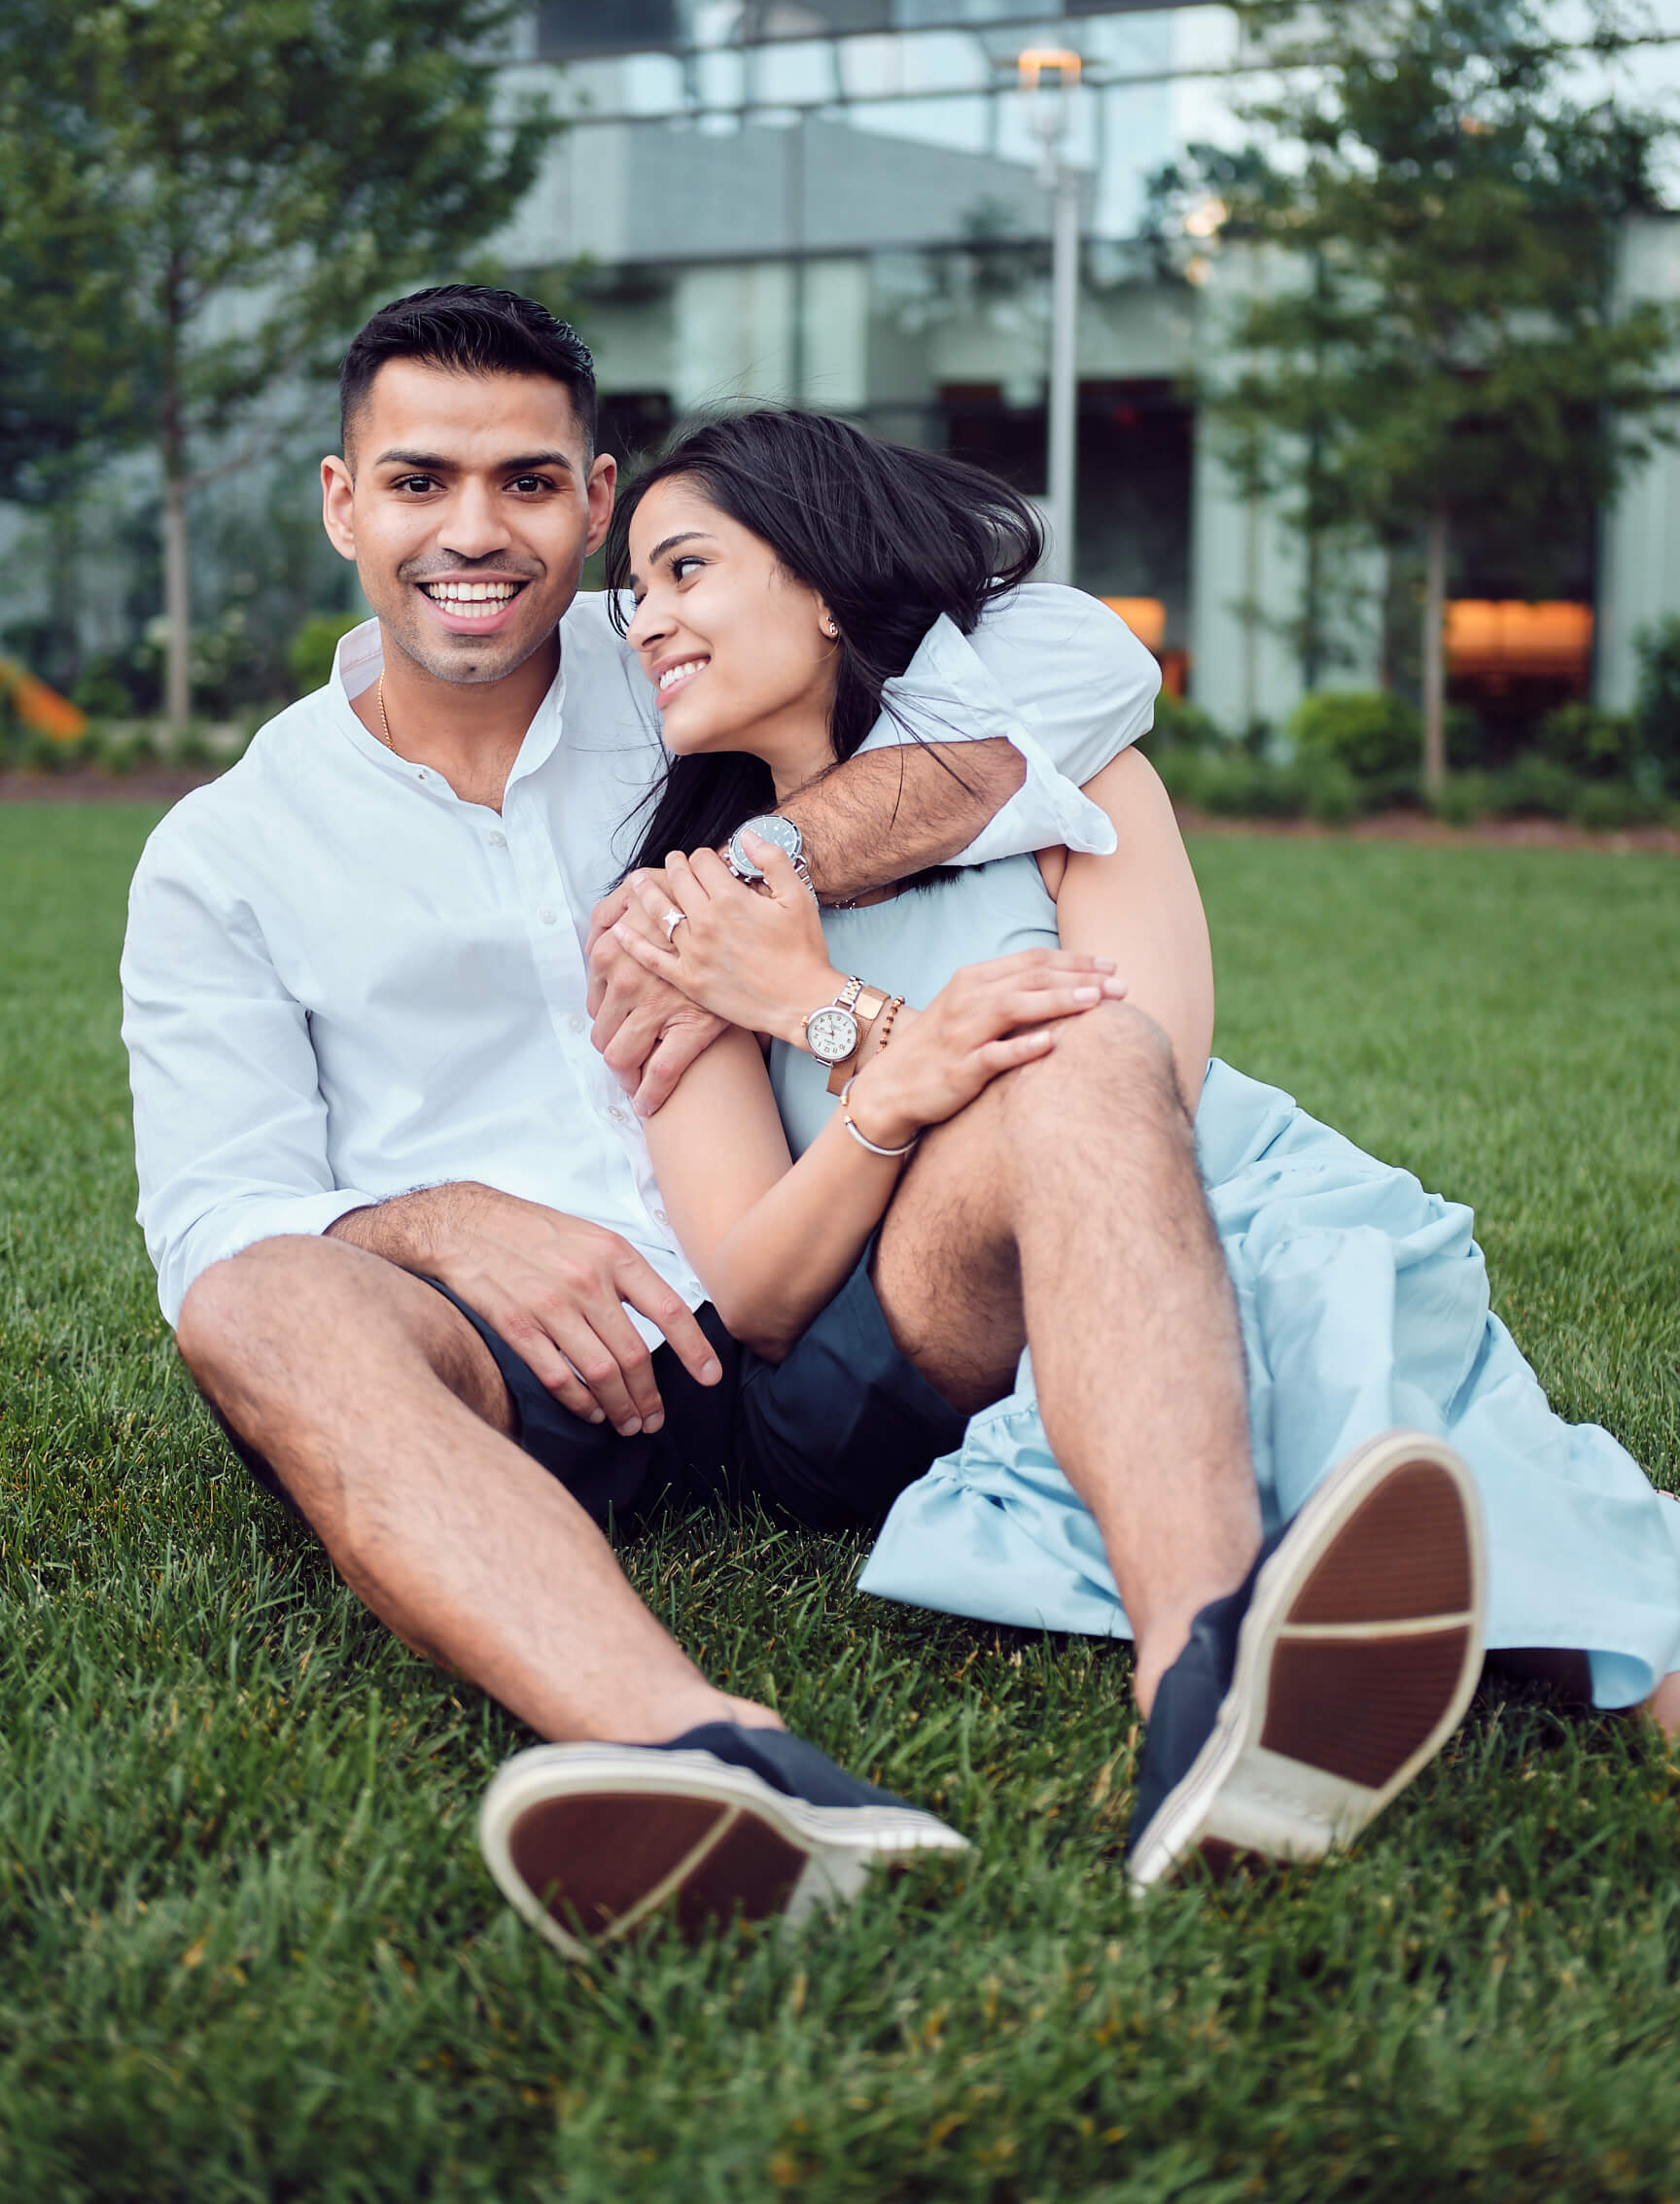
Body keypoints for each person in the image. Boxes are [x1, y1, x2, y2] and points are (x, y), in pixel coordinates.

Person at [122, 284, 1183, 1960]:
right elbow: (212, 1212)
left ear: (598, 501)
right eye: (417, 482)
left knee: (1076, 1067)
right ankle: (703, 1754)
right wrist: (429, 1218)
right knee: (260, 1299)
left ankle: (1204, 1671)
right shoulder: (227, 848)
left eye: (527, 484)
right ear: (342, 502)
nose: (473, 532)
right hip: (525, 1370)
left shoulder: (685, 654)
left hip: (851, 1277)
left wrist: (758, 869)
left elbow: (1074, 656)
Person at [594, 406, 1680, 1888]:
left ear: (827, 580)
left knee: (1375, 1363)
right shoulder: (684, 924)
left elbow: (1149, 1081)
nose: (646, 619)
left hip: (1208, 1202)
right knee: (1299, 1308)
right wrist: (868, 1072)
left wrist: (827, 1003)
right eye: (635, 590)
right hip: (922, 1302)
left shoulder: (1069, 780)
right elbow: (761, 1294)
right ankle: (1202, 1668)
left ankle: (1387, 1658)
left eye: (684, 570)